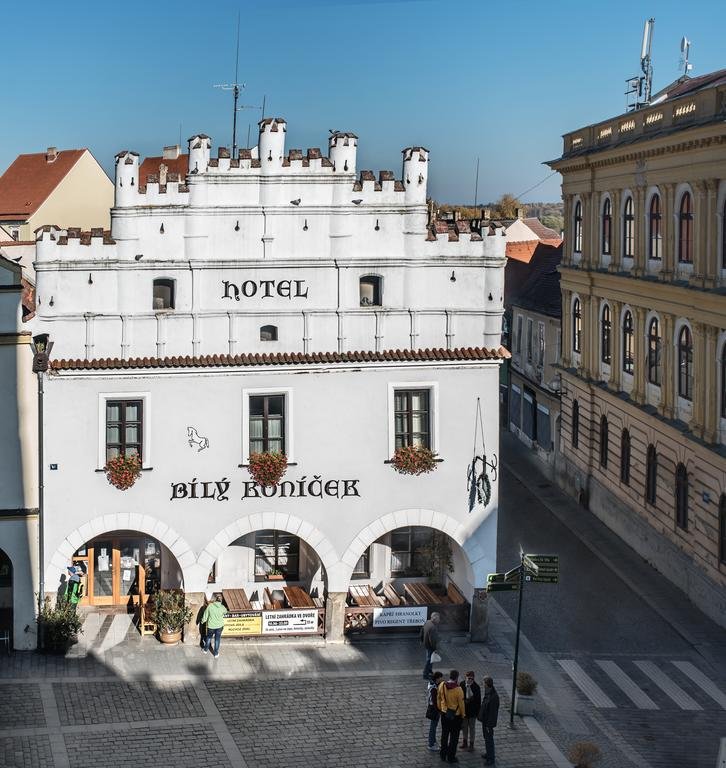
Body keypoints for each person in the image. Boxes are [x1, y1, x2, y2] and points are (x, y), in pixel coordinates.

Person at [437, 669, 465, 764]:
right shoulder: (458, 689)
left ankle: (443, 754)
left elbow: (439, 698)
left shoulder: (442, 685)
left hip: (444, 714)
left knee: (444, 735)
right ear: (457, 678)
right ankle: (451, 757)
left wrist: (440, 708)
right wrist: (463, 715)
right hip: (455, 716)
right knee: (454, 737)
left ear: (450, 676)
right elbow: (461, 704)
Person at [478, 676, 500, 765]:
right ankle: (488, 754)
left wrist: (488, 725)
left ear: (487, 684)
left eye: (483, 683)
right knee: (486, 739)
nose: (483, 684)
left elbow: (493, 713)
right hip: (485, 720)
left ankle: (491, 759)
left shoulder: (494, 697)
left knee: (489, 740)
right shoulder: (488, 692)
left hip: (488, 723)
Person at [460, 670, 481, 751]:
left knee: (472, 728)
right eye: (468, 678)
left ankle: (471, 744)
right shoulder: (462, 684)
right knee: (464, 727)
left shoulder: (476, 687)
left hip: (472, 712)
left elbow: (478, 701)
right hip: (464, 711)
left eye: (471, 679)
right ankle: (464, 742)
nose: (469, 680)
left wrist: (477, 712)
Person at [201, 593, 226, 658]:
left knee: (209, 637)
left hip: (211, 626)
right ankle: (216, 653)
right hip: (219, 626)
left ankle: (205, 650)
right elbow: (225, 612)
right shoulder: (222, 607)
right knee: (217, 639)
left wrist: (202, 621)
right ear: (221, 600)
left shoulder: (210, 606)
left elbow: (205, 615)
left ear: (214, 599)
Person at [426, 671, 444, 752]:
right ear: (438, 678)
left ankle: (433, 741)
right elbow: (434, 701)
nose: (442, 679)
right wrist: (439, 710)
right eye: (441, 677)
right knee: (433, 727)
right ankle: (431, 744)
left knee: (434, 726)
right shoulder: (434, 688)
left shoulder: (433, 685)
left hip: (434, 708)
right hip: (434, 709)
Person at [421, 611, 441, 679]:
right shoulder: (433, 627)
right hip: (430, 646)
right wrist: (435, 648)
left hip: (426, 644)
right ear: (435, 618)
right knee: (429, 660)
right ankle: (425, 674)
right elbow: (432, 640)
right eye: (438, 619)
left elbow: (422, 631)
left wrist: (422, 640)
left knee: (430, 659)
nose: (439, 620)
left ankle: (429, 670)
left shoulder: (427, 622)